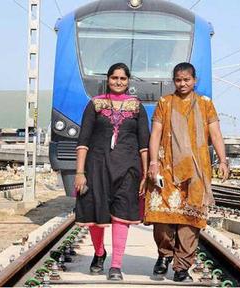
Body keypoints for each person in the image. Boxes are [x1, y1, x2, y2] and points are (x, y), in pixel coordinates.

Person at [145, 62, 229, 282]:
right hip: (167, 167)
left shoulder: (205, 104)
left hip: (197, 169)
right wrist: (153, 163)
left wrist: (223, 160)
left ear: (194, 80)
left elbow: (216, 134)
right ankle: (164, 256)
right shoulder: (165, 102)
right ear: (174, 81)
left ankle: (182, 265)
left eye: (186, 80)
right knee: (162, 216)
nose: (182, 84)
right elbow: (155, 134)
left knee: (190, 220)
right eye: (178, 80)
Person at [74, 63, 150, 281]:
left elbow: (144, 143)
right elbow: (83, 141)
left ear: (128, 81)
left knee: (121, 217)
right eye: (114, 77)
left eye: (123, 78)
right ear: (108, 79)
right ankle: (99, 252)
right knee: (95, 215)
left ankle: (116, 265)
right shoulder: (95, 105)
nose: (118, 81)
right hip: (96, 167)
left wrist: (145, 174)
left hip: (128, 169)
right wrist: (80, 172)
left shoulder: (136, 107)